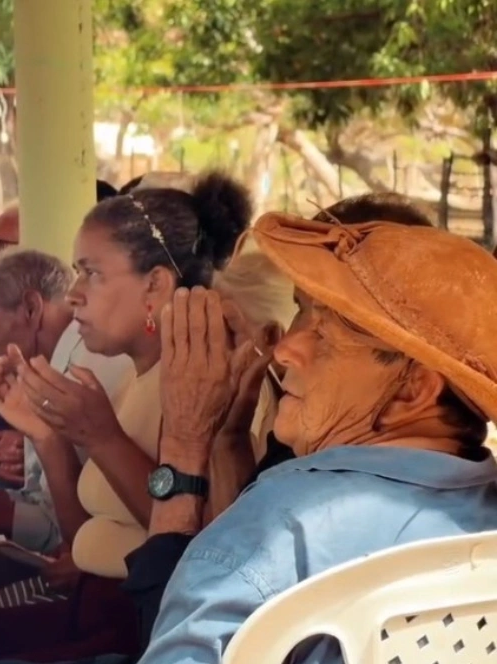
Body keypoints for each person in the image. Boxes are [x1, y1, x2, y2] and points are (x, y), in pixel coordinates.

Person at [134, 211, 497, 664]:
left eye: (324, 333)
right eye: (300, 312)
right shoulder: (484, 512)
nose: (285, 348)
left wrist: (184, 443)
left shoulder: (285, 528)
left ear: (412, 389)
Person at [0, 172, 251, 661]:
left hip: (148, 633)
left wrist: (102, 436)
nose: (73, 293)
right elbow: (84, 536)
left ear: (154, 285)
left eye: (91, 272)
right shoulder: (134, 377)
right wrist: (50, 436)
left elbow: (194, 543)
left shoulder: (200, 382)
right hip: (100, 617)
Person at [0, 249, 132, 556]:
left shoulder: (84, 366)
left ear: (31, 307)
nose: (74, 296)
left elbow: (65, 531)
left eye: (91, 275)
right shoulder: (57, 360)